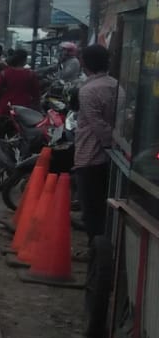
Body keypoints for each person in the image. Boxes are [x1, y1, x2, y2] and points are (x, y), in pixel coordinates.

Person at [72, 44, 117, 245]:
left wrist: (109, 142)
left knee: (91, 209)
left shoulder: (88, 90)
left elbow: (97, 124)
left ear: (85, 63)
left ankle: (94, 251)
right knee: (102, 207)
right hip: (112, 157)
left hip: (90, 155)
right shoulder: (116, 86)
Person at [0, 49, 40, 123]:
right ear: (24, 60)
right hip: (24, 109)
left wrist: (5, 91)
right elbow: (36, 94)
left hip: (6, 107)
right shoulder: (30, 74)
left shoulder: (5, 73)